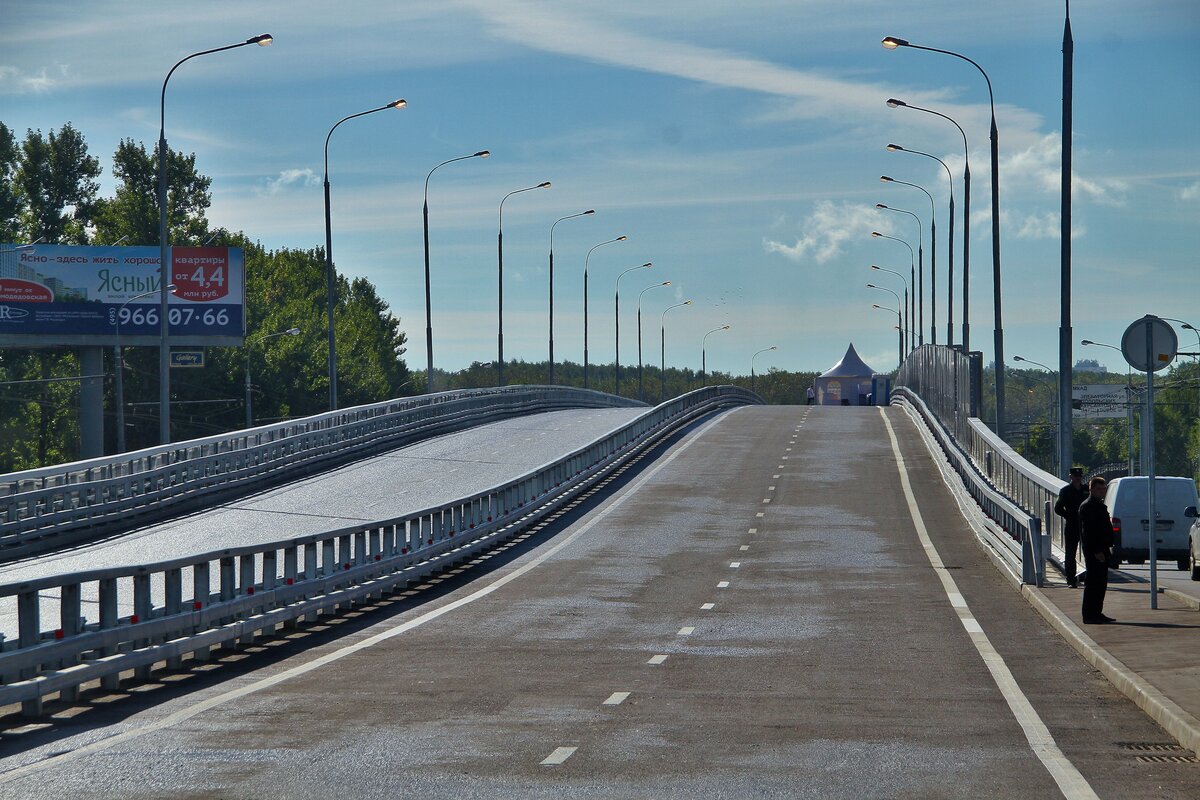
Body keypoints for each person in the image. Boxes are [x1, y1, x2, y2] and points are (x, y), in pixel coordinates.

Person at [1078, 476, 1116, 624]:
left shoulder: (1098, 505)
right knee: (1093, 583)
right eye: (1099, 489)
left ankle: (1097, 612)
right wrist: (1096, 551)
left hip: (1102, 549)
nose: (1102, 492)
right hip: (1095, 551)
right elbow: (1088, 532)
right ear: (1091, 489)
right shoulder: (1088, 506)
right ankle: (1089, 615)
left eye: (1104, 489)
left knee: (1101, 583)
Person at [1053, 467, 1088, 587]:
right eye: (1075, 476)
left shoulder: (1086, 490)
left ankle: (1089, 578)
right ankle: (1071, 580)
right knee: (1070, 554)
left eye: (1079, 476)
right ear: (1071, 477)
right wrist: (1069, 516)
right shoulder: (1065, 491)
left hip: (1085, 525)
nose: (1078, 478)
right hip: (1072, 526)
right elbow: (1057, 508)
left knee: (1088, 552)